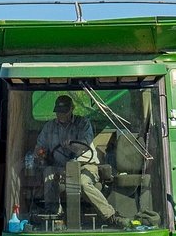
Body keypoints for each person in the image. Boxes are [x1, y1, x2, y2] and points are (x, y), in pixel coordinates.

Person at [34, 95, 125, 228]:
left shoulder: (83, 124)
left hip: (85, 165)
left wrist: (71, 145)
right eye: (58, 112)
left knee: (83, 183)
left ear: (72, 109)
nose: (61, 115)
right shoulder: (49, 127)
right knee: (49, 172)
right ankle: (54, 215)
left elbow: (84, 145)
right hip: (62, 167)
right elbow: (39, 146)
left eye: (64, 112)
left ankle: (110, 217)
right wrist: (40, 152)